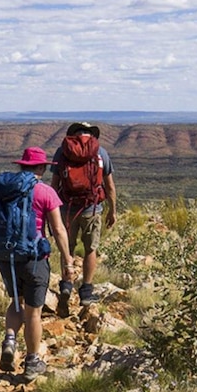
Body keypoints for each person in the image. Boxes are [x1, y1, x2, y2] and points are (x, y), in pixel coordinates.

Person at [0, 147, 74, 382]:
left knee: (16, 302)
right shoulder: (46, 192)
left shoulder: (4, 189)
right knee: (34, 312)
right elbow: (59, 229)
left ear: (21, 166)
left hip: (7, 257)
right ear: (41, 167)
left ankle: (10, 339)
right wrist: (67, 260)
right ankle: (32, 361)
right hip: (34, 258)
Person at [50, 122, 117, 307]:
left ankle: (66, 284)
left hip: (66, 208)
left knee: (67, 248)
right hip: (92, 209)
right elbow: (109, 186)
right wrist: (113, 211)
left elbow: (54, 185)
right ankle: (86, 291)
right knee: (90, 249)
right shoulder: (101, 152)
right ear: (91, 134)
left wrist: (51, 211)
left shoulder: (62, 151)